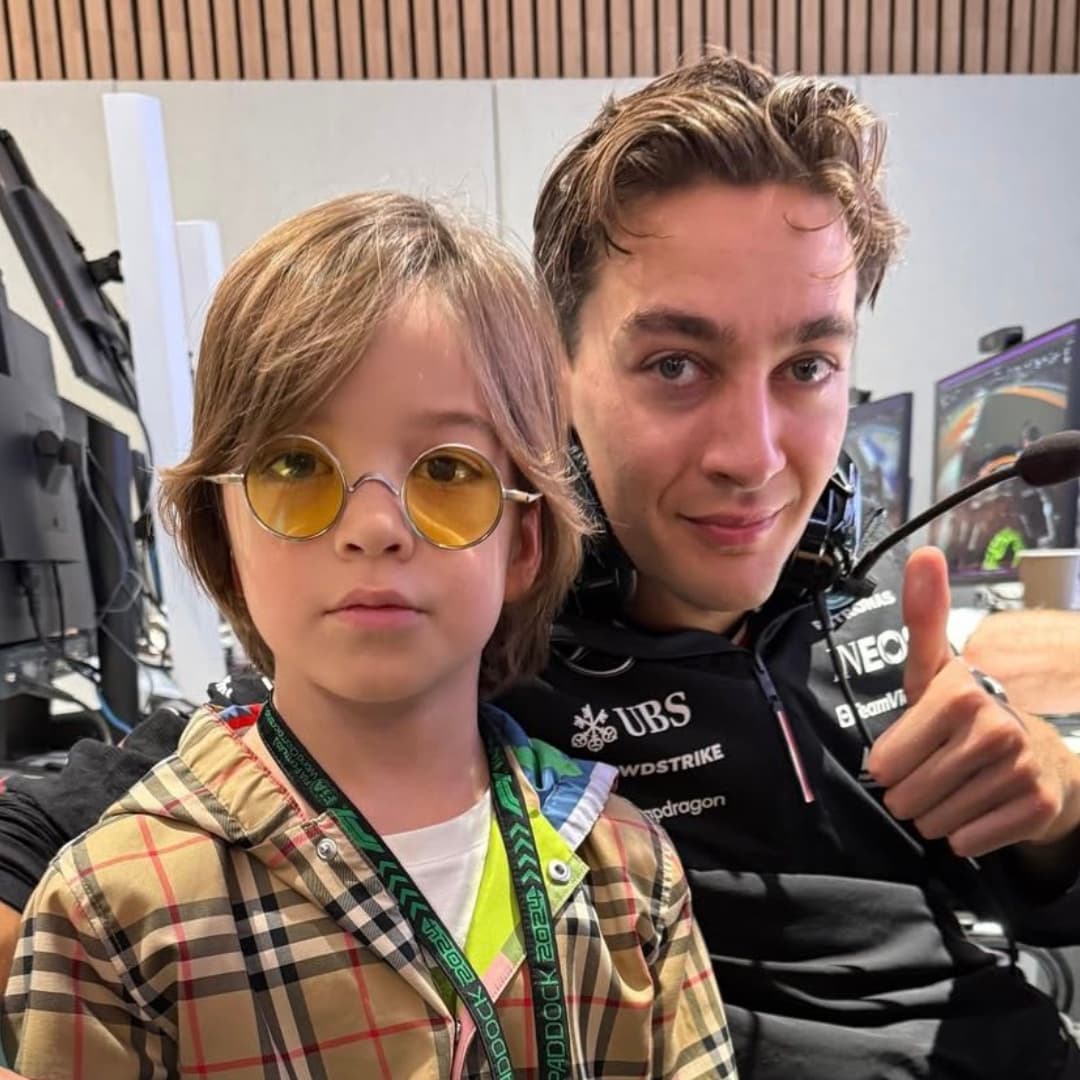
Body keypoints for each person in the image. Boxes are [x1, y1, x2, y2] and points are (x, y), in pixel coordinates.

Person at [0, 51, 1079, 1079]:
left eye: (806, 365)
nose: (753, 456)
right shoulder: (468, 643)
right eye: (674, 363)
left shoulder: (888, 620)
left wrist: (1055, 811)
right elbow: (62, 830)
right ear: (555, 388)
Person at [0, 193, 734, 1078]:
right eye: (297, 467)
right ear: (220, 532)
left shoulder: (632, 873)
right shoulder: (113, 911)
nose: (375, 526)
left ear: (524, 541)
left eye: (449, 471)